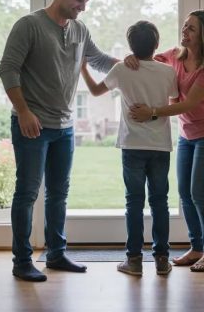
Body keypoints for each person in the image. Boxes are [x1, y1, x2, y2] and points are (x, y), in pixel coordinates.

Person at [0, 0, 118, 282]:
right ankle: (22, 261)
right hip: (32, 126)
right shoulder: (29, 25)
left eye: (86, 1)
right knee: (26, 193)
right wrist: (22, 111)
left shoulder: (80, 30)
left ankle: (55, 254)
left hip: (65, 128)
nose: (83, 6)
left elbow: (100, 60)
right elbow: (8, 69)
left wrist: (133, 63)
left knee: (58, 193)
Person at [129, 9, 204, 272]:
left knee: (199, 193)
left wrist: (151, 112)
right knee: (185, 193)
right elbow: (148, 61)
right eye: (185, 26)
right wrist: (131, 59)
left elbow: (189, 104)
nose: (184, 31)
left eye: (191, 28)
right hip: (188, 134)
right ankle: (196, 248)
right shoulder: (174, 56)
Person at [79, 21, 178, 276]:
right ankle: (162, 260)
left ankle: (134, 260)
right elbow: (175, 100)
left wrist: (83, 70)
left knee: (134, 203)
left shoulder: (122, 70)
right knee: (160, 203)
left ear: (131, 46)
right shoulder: (168, 72)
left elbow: (95, 90)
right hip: (159, 146)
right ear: (156, 44)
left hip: (132, 145)